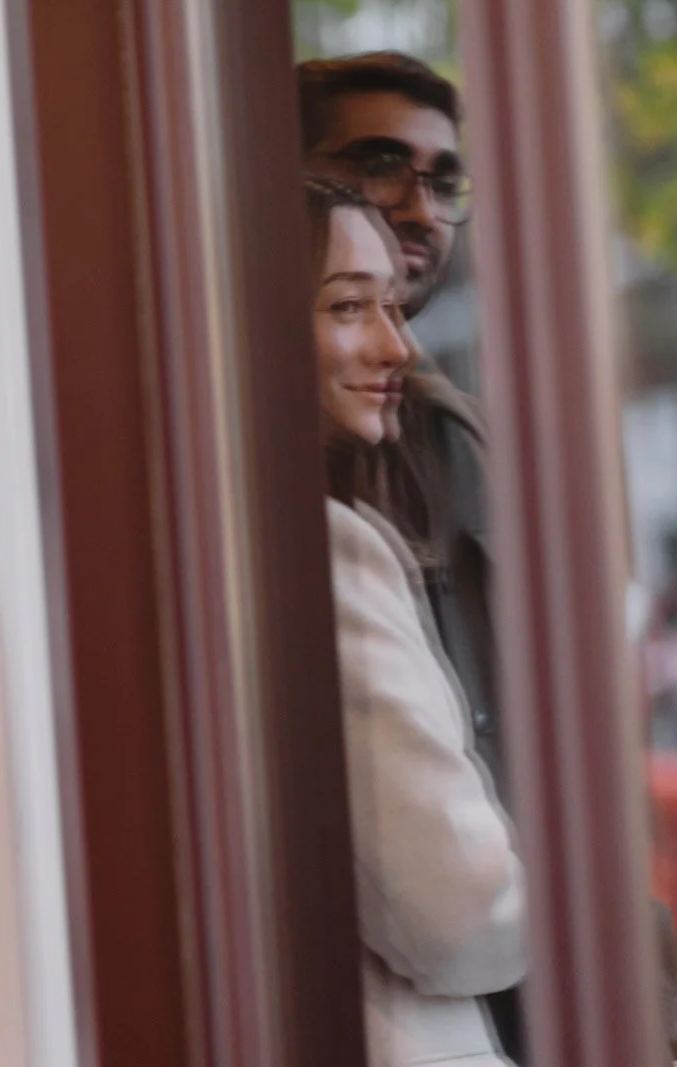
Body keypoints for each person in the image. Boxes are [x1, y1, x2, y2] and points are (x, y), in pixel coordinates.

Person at [308, 176, 526, 1067]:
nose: (395, 344)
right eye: (350, 306)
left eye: (392, 306)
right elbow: (461, 913)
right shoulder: (320, 548)